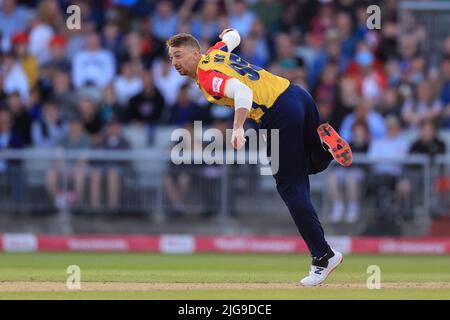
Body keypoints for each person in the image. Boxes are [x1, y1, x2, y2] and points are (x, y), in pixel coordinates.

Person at [166, 28, 353, 286]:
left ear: (196, 53)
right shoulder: (214, 54)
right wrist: (230, 32)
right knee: (304, 169)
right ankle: (323, 148)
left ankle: (323, 256)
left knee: (290, 188)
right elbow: (232, 38)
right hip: (298, 95)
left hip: (278, 113)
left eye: (178, 55)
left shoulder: (207, 75)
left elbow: (243, 93)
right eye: (171, 58)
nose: (174, 63)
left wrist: (239, 127)